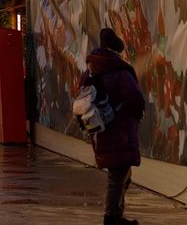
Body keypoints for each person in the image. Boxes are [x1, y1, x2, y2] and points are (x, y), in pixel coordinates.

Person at [79, 28, 144, 225]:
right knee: (118, 173)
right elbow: (136, 99)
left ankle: (116, 214)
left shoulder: (90, 70)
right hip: (120, 129)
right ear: (116, 50)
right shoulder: (119, 71)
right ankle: (112, 217)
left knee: (120, 171)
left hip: (100, 128)